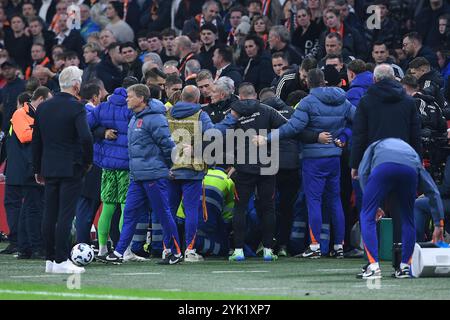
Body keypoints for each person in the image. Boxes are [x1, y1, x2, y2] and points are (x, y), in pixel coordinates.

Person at [257, 69, 355, 259]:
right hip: (334, 157)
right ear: (324, 82)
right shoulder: (343, 100)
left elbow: (292, 128)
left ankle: (315, 245)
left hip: (314, 158)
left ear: (308, 83)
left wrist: (267, 138)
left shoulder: (308, 102)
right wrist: (344, 135)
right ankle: (339, 245)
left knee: (314, 201)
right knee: (335, 201)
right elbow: (358, 120)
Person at [98, 84, 182, 265]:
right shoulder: (134, 118)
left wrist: (166, 167)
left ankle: (175, 252)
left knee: (163, 213)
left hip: (153, 175)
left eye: (130, 96)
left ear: (141, 99)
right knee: (129, 213)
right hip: (137, 176)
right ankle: (119, 252)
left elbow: (168, 146)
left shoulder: (155, 119)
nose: (126, 99)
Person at [32, 66, 93, 274]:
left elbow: (36, 141)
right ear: (76, 85)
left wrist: (37, 168)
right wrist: (87, 161)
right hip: (71, 167)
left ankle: (50, 259)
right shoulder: (76, 107)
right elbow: (85, 137)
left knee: (49, 213)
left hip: (49, 167)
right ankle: (61, 259)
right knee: (66, 215)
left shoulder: (43, 107)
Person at [166, 85, 236, 262]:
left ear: (181, 97)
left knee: (169, 211)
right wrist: (230, 120)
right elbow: (213, 134)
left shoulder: (168, 113)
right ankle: (189, 250)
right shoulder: (200, 115)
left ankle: (169, 250)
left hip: (172, 169)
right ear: (197, 99)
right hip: (193, 170)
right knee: (191, 211)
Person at [356, 138, 444, 279]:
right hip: (409, 171)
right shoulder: (410, 151)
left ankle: (373, 266)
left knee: (367, 215)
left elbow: (363, 172)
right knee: (408, 218)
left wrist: (374, 205)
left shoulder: (374, 145)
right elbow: (433, 191)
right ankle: (404, 267)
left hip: (383, 168)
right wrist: (439, 223)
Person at [228, 83, 288, 262]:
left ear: (239, 96)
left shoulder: (234, 113)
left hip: (244, 166)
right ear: (255, 95)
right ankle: (268, 249)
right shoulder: (267, 110)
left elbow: (224, 137)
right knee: (268, 207)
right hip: (266, 164)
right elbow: (287, 128)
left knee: (240, 207)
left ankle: (238, 251)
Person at [87, 78, 136, 257]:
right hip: (125, 165)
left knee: (107, 206)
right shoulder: (130, 109)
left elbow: (86, 125)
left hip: (107, 165)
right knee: (125, 207)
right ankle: (126, 249)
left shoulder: (102, 108)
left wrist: (102, 132)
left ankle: (102, 249)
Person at [350, 64, 422, 176]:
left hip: (376, 159)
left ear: (374, 79)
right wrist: (418, 160)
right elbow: (415, 135)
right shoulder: (408, 101)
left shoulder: (365, 102)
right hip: (404, 158)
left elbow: (360, 135)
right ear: (394, 78)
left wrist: (355, 164)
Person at [8, 87, 51, 259]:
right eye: (47, 101)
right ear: (40, 99)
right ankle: (36, 246)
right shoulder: (20, 114)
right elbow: (25, 136)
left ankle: (24, 247)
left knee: (29, 208)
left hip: (32, 166)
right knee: (34, 208)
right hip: (26, 169)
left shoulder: (36, 115)